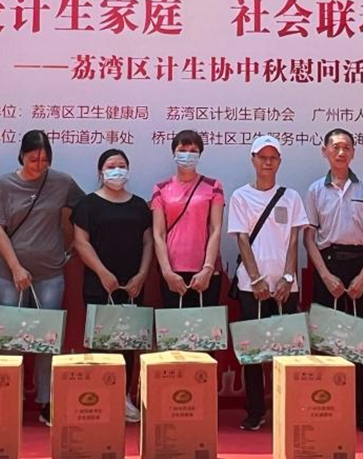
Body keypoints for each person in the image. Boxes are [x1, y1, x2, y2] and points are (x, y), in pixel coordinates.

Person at [0, 129, 85, 426]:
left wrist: (73, 242)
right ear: (21, 155)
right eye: (33, 159)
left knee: (48, 338)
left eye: (44, 160)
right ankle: (9, 399)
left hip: (50, 273)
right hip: (10, 274)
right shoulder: (4, 184)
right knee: (9, 339)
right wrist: (16, 267)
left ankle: (47, 400)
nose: (39, 165)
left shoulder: (61, 182)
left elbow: (86, 210)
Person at [304, 128, 363, 432]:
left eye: (347, 147)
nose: (341, 152)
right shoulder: (315, 190)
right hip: (328, 267)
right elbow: (309, 237)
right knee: (328, 341)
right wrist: (325, 275)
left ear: (353, 152)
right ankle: (329, 408)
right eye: (336, 147)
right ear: (324, 151)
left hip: (362, 265)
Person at [228, 135, 308, 431]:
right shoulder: (240, 196)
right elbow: (242, 239)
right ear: (253, 160)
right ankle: (255, 410)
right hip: (252, 286)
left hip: (286, 286)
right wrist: (256, 279)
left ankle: (287, 407)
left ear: (279, 162)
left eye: (273, 157)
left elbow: (294, 239)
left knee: (287, 349)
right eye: (262, 157)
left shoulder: (291, 196)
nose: (267, 162)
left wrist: (288, 276)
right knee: (253, 351)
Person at [72, 148, 154, 422]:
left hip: (132, 285)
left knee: (129, 341)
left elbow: (148, 242)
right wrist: (103, 273)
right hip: (99, 284)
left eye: (121, 165)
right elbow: (81, 242)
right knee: (100, 342)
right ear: (100, 172)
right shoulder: (88, 204)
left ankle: (124, 398)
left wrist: (142, 275)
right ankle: (99, 397)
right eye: (111, 166)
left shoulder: (139, 206)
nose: (116, 170)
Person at [151, 129, 224, 309]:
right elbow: (158, 233)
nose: (187, 155)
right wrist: (167, 272)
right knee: (174, 325)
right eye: (182, 150)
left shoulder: (213, 186)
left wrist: (208, 268)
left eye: (193, 151)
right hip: (172, 273)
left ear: (200, 154)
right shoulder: (160, 188)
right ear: (174, 153)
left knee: (207, 325)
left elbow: (215, 229)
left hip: (206, 272)